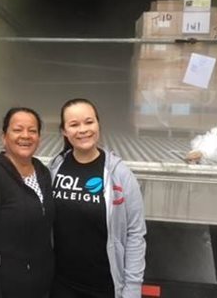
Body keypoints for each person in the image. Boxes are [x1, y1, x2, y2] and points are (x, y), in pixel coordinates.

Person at [49, 98, 146, 298]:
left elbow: (135, 234)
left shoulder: (119, 174)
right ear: (64, 131)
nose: (83, 129)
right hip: (60, 285)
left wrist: (132, 289)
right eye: (74, 125)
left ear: (98, 124)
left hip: (104, 287)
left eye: (89, 122)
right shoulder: (54, 169)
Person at [0, 107, 54, 298]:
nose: (26, 135)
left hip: (40, 284)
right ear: (4, 137)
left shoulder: (42, 172)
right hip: (4, 286)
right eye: (17, 129)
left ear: (39, 138)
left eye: (32, 131)